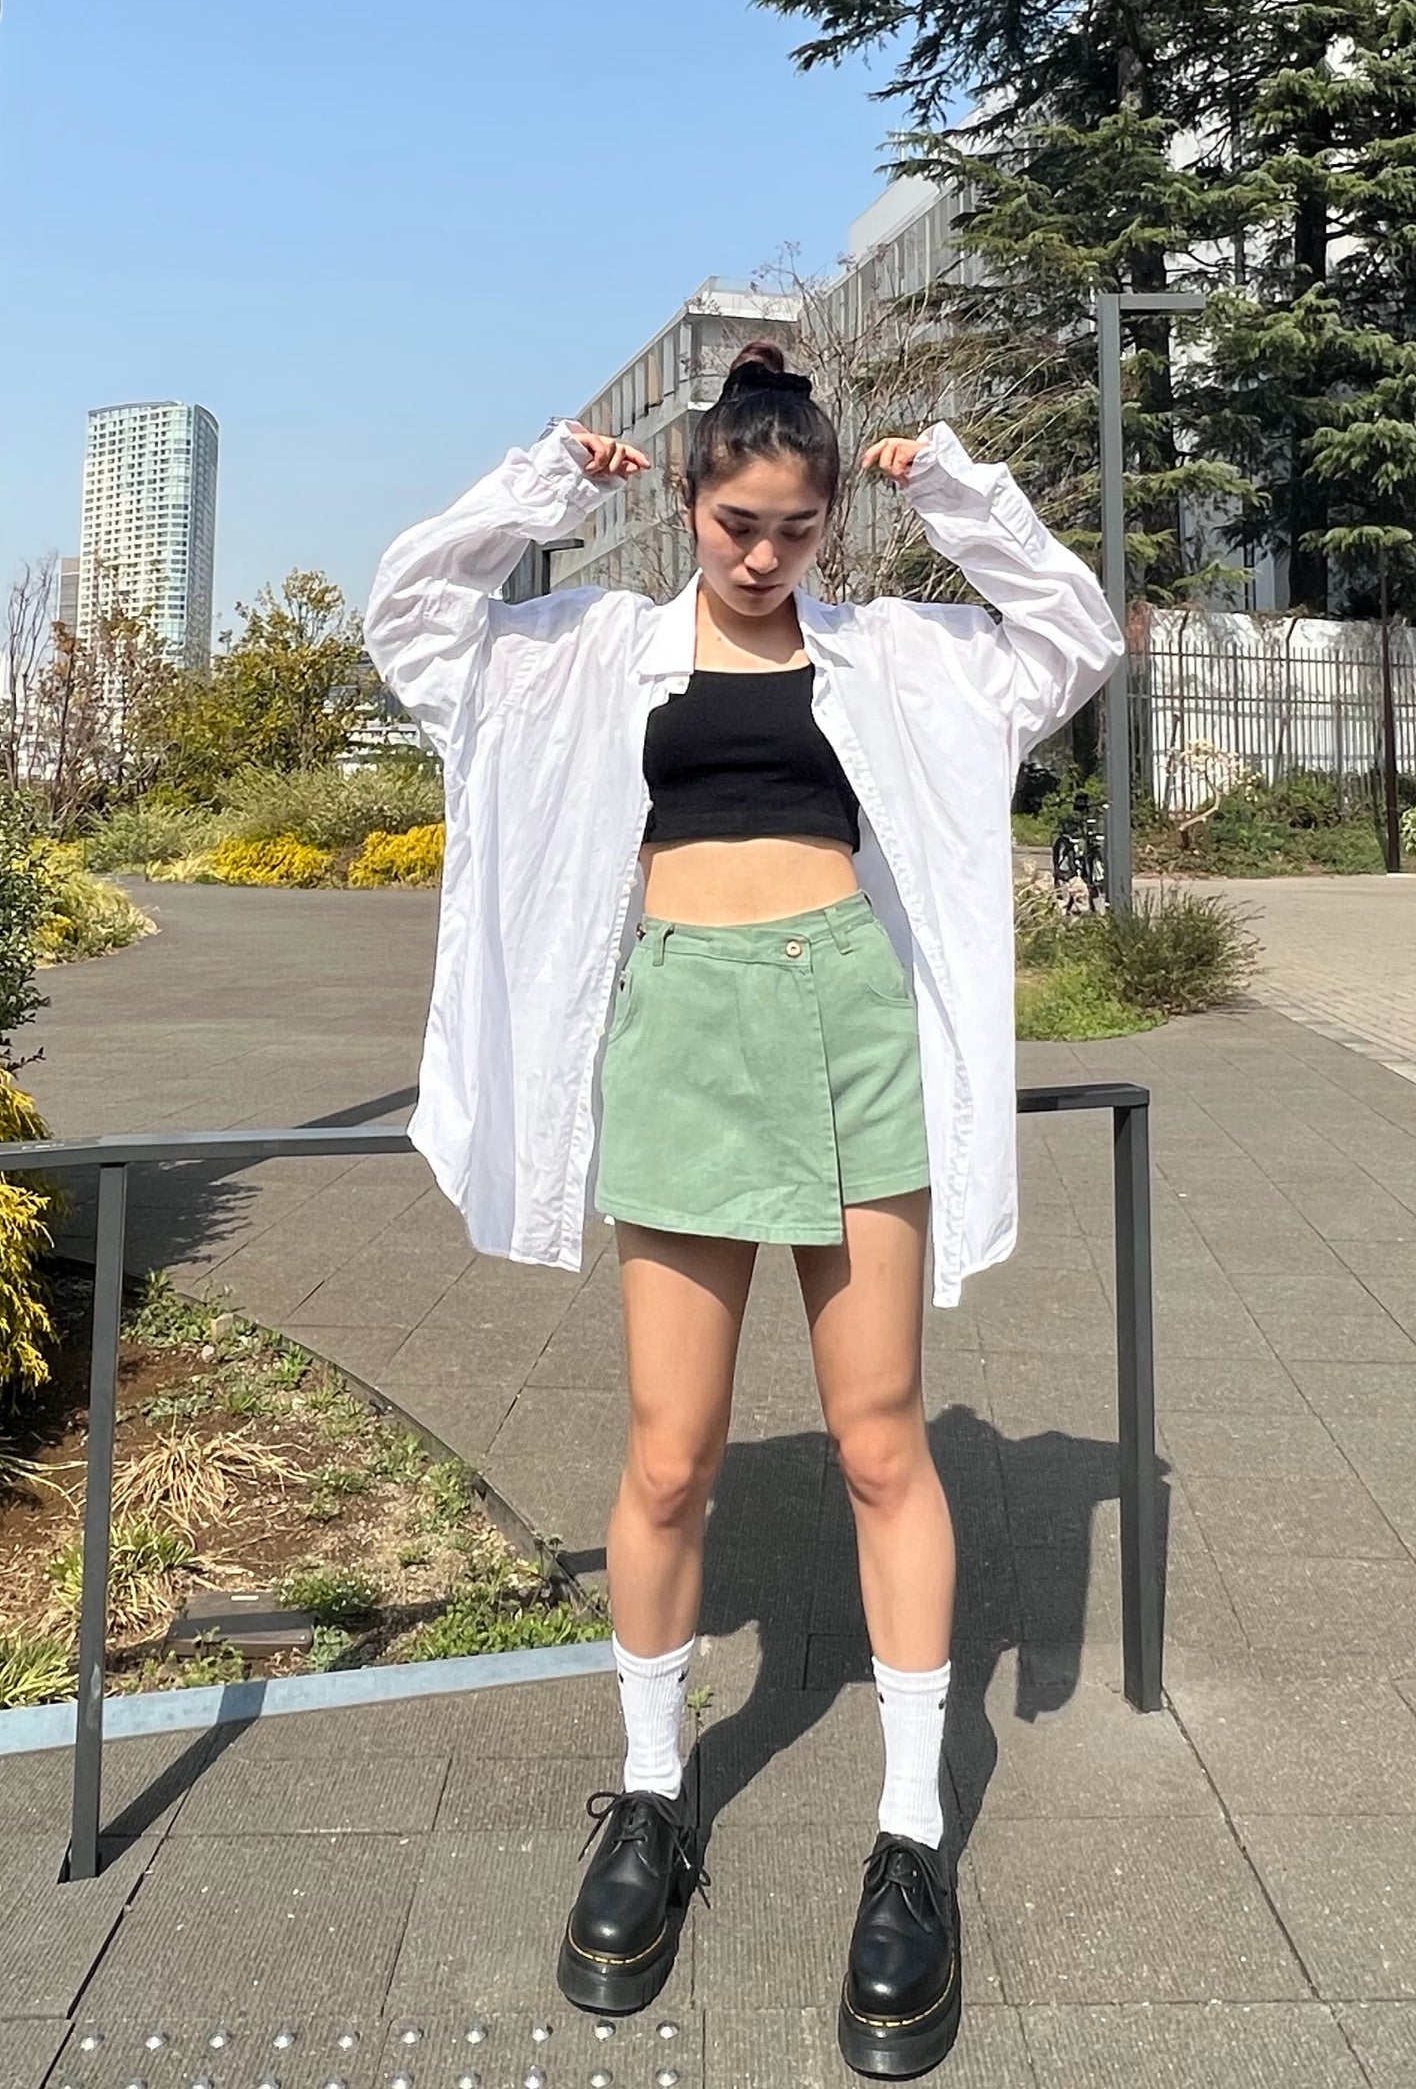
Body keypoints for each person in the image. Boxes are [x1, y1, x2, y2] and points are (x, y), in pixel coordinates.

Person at [362, 343, 1123, 2078]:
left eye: (792, 529)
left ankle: (909, 1832)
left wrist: (962, 495)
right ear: (690, 508)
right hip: (681, 1037)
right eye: (734, 525)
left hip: (850, 1025)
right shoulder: (586, 654)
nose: (762, 557)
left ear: (830, 518)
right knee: (665, 1455)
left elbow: (1071, 636)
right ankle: (649, 1794)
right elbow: (407, 616)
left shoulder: (898, 656)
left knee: (877, 1443)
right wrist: (537, 487)